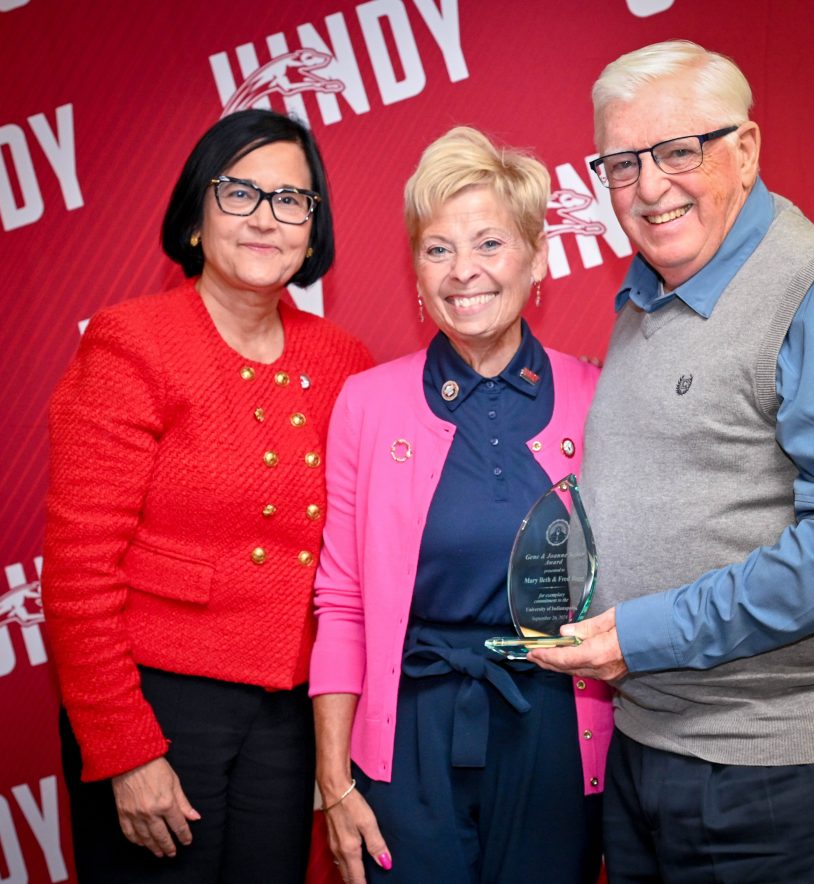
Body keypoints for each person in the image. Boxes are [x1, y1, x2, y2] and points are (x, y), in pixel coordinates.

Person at [529, 40, 814, 884]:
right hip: (654, 752)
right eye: (622, 163)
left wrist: (643, 632)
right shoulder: (651, 291)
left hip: (794, 774)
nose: (648, 188)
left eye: (680, 151)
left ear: (745, 150)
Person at [42, 108, 372, 883]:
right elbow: (78, 574)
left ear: (313, 227)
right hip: (157, 709)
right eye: (240, 194)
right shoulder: (132, 342)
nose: (267, 218)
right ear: (196, 215)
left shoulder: (343, 360)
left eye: (291, 200)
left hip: (285, 719)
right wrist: (125, 750)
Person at [308, 126, 614, 884]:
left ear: (536, 258)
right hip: (408, 730)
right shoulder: (367, 405)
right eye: (437, 249)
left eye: (488, 244)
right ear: (415, 271)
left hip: (554, 724)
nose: (463, 272)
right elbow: (341, 604)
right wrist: (334, 782)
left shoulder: (599, 398)